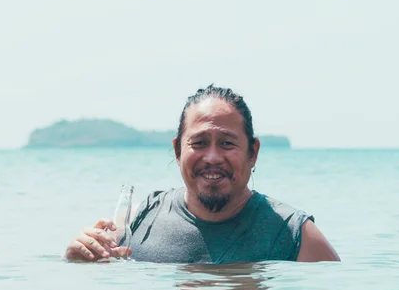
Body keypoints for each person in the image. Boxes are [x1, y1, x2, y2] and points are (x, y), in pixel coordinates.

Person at [64, 84, 340, 264]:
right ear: (177, 150)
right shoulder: (135, 221)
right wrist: (77, 257)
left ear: (252, 152)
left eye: (227, 144)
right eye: (199, 143)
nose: (212, 158)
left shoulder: (294, 235)